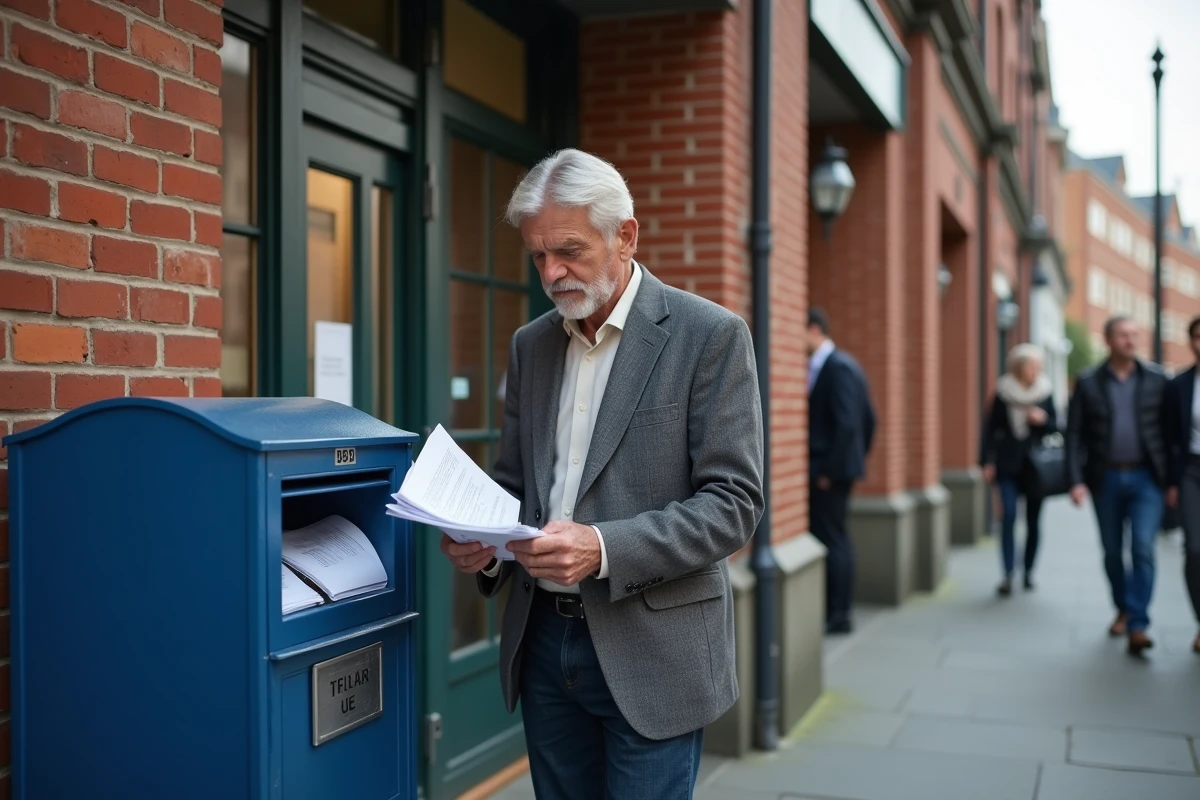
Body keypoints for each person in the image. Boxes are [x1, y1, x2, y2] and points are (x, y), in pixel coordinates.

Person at [439, 148, 765, 799]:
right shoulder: (531, 345)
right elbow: (516, 484)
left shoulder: (710, 336)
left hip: (654, 650)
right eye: (537, 255)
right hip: (541, 641)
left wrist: (603, 547)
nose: (551, 273)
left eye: (568, 251)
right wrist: (486, 543)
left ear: (626, 235)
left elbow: (734, 503)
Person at [1065, 316, 1168, 656]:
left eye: (1135, 334)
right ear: (1108, 339)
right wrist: (1075, 481)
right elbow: (1073, 435)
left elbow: (1173, 431)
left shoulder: (1156, 380)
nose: (1130, 340)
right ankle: (1123, 607)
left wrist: (1173, 480)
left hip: (1146, 479)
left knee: (1142, 547)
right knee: (1112, 551)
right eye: (1123, 335)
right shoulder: (1088, 382)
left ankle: (1138, 623)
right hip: (1104, 478)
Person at [806, 307, 876, 635]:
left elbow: (850, 425)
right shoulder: (837, 365)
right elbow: (869, 421)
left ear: (815, 329)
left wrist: (831, 470)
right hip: (833, 470)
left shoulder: (838, 367)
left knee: (834, 540)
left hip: (828, 474)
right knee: (834, 537)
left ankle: (840, 614)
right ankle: (836, 611)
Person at [980, 344, 1057, 596]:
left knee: (1034, 521)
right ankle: (1007, 573)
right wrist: (986, 461)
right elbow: (990, 429)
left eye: (1038, 366)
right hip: (1007, 464)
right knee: (1008, 516)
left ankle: (1028, 571)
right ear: (1018, 367)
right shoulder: (1003, 391)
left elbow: (1056, 426)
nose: (1036, 370)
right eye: (1031, 365)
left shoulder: (1044, 392)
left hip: (1036, 467)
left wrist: (1042, 420)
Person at [1164, 314, 1200, 655]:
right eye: (1198, 336)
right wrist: (1171, 482)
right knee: (1195, 549)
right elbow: (1171, 437)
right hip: (1191, 471)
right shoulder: (1179, 385)